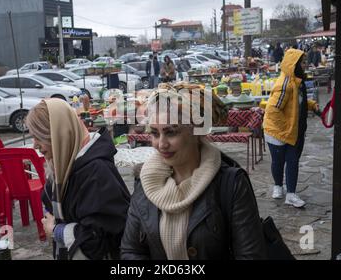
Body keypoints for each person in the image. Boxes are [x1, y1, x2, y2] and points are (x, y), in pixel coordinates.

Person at [121, 83, 266, 259]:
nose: (161, 144)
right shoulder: (145, 181)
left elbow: (250, 256)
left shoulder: (230, 184)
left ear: (197, 131)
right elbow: (131, 251)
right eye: (154, 133)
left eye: (171, 132)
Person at [25, 98, 130, 260]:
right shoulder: (65, 164)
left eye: (38, 137)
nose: (34, 146)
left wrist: (56, 230)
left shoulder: (96, 174)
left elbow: (98, 241)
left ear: (58, 134)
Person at [263, 49, 320, 208]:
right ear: (293, 64)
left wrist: (313, 106)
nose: (305, 64)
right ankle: (278, 186)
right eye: (302, 62)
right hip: (276, 131)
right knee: (278, 161)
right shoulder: (285, 85)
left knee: (292, 161)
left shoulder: (297, 81)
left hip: (292, 131)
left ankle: (291, 195)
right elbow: (273, 110)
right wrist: (287, 129)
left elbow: (297, 102)